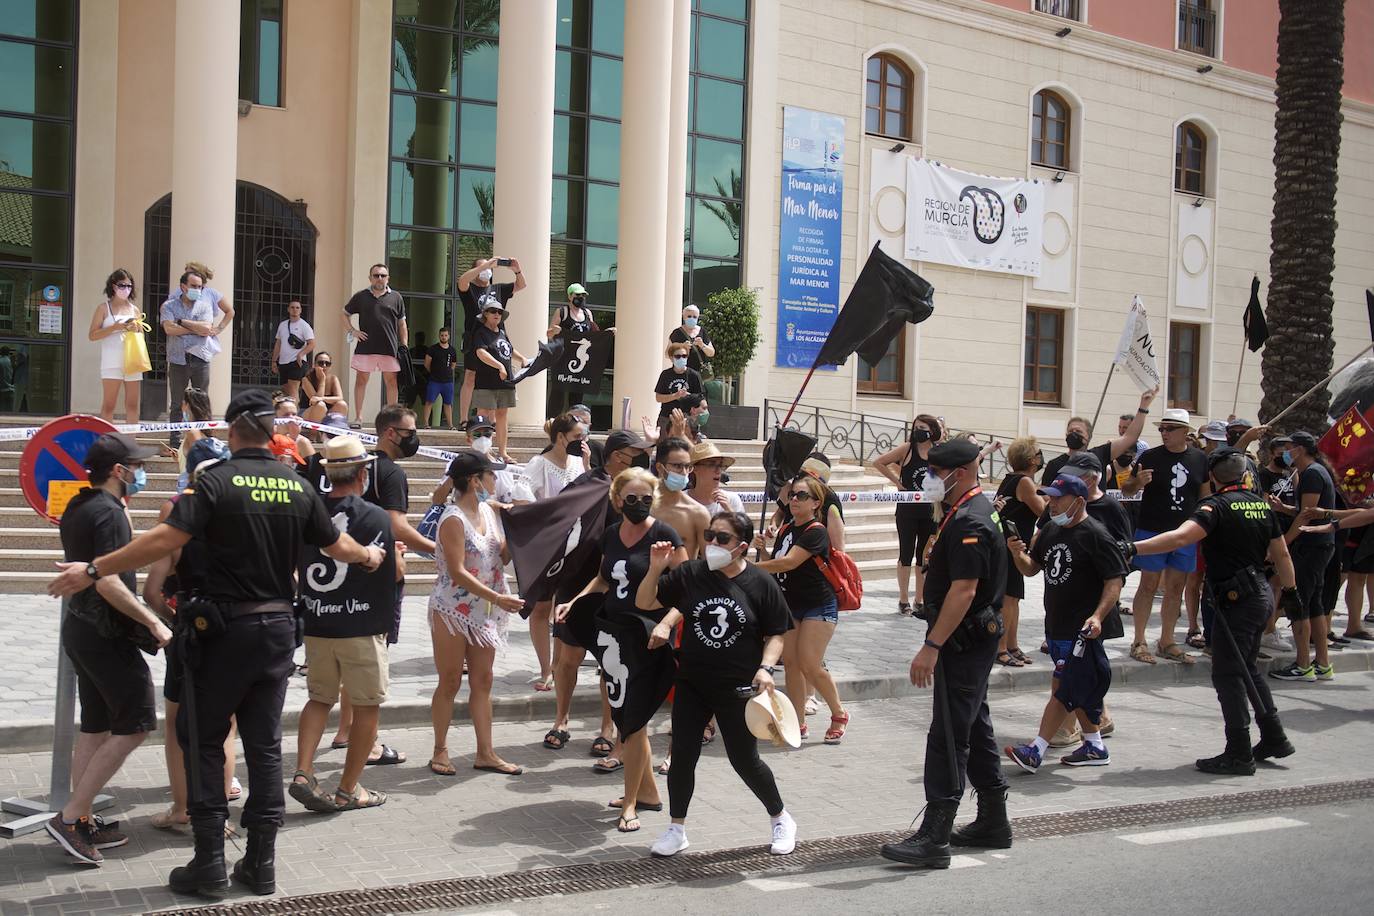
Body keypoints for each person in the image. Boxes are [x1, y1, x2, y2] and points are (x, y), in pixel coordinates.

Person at [47, 390, 384, 897]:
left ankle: (208, 864)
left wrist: (94, 568)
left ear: (231, 432)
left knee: (204, 743)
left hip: (221, 633)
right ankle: (261, 864)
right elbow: (338, 545)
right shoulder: (296, 485)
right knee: (265, 747)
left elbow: (165, 540)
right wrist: (368, 559)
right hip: (276, 630)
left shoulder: (215, 483)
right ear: (274, 432)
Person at [880, 439, 1010, 869]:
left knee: (949, 734)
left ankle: (935, 834)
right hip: (970, 638)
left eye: (937, 472)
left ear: (961, 472)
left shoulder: (971, 518)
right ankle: (994, 819)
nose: (931, 478)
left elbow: (965, 589)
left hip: (962, 641)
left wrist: (931, 646)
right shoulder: (967, 510)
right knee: (977, 724)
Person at [637, 511, 797, 858]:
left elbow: (776, 635)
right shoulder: (691, 573)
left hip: (736, 686)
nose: (712, 543)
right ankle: (676, 829)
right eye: (709, 535)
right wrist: (654, 568)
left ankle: (780, 817)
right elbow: (646, 602)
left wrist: (767, 668)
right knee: (682, 757)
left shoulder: (760, 582)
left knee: (744, 760)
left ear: (741, 546)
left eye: (722, 538)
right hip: (693, 681)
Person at [45, 433, 172, 866]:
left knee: (96, 727)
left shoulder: (80, 505)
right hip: (104, 634)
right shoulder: (109, 515)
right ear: (119, 472)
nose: (141, 474)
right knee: (135, 723)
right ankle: (71, 817)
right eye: (137, 467)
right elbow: (107, 579)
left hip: (81, 629)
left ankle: (79, 820)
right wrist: (153, 621)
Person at [1133, 448, 1300, 774]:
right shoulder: (1260, 505)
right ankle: (1274, 736)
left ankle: (1238, 753)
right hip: (1260, 593)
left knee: (1227, 675)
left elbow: (1180, 537)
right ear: (1243, 475)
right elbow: (1281, 555)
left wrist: (1132, 547)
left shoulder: (1215, 507)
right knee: (1247, 668)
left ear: (1213, 477)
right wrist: (1291, 594)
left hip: (1237, 601)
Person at [555, 467, 688, 831]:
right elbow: (604, 577)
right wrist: (577, 601)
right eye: (631, 499)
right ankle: (648, 794)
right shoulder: (613, 534)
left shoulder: (665, 535)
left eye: (646, 499)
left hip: (647, 638)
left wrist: (666, 624)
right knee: (624, 719)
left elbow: (690, 588)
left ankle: (629, 803)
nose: (639, 505)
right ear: (617, 500)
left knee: (633, 723)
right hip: (614, 636)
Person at [290, 436, 398, 813]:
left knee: (319, 698)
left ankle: (303, 770)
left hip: (319, 623)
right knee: (367, 707)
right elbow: (388, 572)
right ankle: (349, 788)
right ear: (363, 472)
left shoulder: (309, 512)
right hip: (362, 625)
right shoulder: (376, 516)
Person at [143, 438, 240, 835]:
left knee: (178, 723)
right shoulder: (240, 514)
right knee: (225, 724)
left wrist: (174, 620)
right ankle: (218, 815)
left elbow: (151, 590)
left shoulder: (178, 512)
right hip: (232, 631)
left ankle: (182, 809)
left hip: (189, 630)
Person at [1003, 474, 1127, 772]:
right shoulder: (1049, 531)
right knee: (1076, 687)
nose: (1052, 504)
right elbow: (1032, 569)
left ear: (1079, 500)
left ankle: (1036, 749)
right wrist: (1016, 552)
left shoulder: (1096, 535)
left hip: (1081, 630)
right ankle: (1095, 745)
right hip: (1056, 625)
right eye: (1050, 497)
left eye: (1058, 498)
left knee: (1064, 687)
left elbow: (1114, 580)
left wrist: (1098, 616)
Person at [543, 430, 652, 759]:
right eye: (634, 454)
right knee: (568, 658)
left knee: (611, 661)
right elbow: (557, 522)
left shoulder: (638, 490)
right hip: (577, 584)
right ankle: (561, 721)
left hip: (617, 586)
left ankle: (608, 727)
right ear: (618, 456)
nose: (639, 461)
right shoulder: (585, 484)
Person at [428, 451, 526, 777]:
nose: (496, 481)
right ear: (475, 480)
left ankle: (485, 752)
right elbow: (456, 571)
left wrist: (518, 532)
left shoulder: (487, 510)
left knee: (483, 679)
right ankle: (440, 749)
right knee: (451, 680)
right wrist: (497, 596)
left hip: (484, 609)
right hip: (451, 609)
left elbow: (502, 557)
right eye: (491, 475)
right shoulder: (453, 519)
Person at [753, 474, 850, 744]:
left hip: (819, 604)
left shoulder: (816, 531)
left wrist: (746, 568)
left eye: (802, 496)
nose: (794, 499)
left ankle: (839, 713)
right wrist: (761, 553)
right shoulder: (786, 528)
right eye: (793, 494)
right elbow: (775, 565)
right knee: (792, 665)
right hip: (790, 604)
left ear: (815, 503)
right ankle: (797, 721)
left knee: (809, 664)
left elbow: (788, 563)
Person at [1121, 408, 1210, 665]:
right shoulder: (1149, 456)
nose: (1164, 433)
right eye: (1162, 429)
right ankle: (1139, 640)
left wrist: (1203, 526)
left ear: (1185, 432)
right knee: (1148, 585)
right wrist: (1137, 482)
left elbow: (1204, 496)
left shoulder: (1199, 459)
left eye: (1170, 429)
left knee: (1175, 588)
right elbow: (1126, 489)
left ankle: (1167, 641)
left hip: (1184, 533)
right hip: (1152, 528)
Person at [523, 414, 589, 691]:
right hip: (548, 546)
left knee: (567, 606)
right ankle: (544, 668)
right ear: (561, 437)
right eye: (576, 436)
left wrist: (587, 465)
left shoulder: (578, 462)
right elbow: (522, 497)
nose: (581, 441)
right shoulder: (539, 464)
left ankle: (559, 664)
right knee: (541, 607)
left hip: (577, 546)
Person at [1268, 431, 1336, 681]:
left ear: (1299, 449)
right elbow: (1307, 510)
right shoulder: (1313, 473)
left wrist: (1282, 544)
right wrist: (1283, 508)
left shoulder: (1312, 474)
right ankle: (1322, 663)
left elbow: (1306, 515)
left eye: (1288, 448)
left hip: (1311, 547)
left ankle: (1303, 664)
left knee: (1299, 604)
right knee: (1315, 604)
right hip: (1319, 545)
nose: (1285, 453)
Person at [873, 415, 942, 617]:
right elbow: (879, 462)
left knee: (924, 555)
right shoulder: (907, 448)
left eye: (922, 427)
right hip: (907, 509)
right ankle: (903, 599)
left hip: (931, 510)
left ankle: (919, 599)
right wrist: (898, 483)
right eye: (915, 427)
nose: (918, 431)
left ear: (932, 430)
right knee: (906, 554)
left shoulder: (938, 451)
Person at [991, 437, 1046, 666]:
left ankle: (1012, 645)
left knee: (1014, 598)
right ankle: (1001, 648)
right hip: (1010, 547)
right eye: (1039, 454)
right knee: (1009, 600)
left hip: (1013, 546)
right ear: (1032, 459)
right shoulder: (1024, 482)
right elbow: (1043, 511)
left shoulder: (1011, 479)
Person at [457, 257, 525, 430]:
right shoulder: (470, 289)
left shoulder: (498, 289)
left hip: (496, 338)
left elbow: (521, 285)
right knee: (470, 376)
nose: (487, 271)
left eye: (489, 268)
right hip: (475, 337)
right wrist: (487, 264)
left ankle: (492, 421)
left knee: (496, 376)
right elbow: (462, 281)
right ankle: (464, 419)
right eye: (482, 268)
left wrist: (517, 270)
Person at [1040, 387, 1158, 485]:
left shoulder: (1099, 455)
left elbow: (1130, 437)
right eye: (1070, 431)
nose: (1074, 434)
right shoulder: (1054, 464)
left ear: (1089, 436)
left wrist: (1143, 407)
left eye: (1078, 431)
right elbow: (1045, 496)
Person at [160, 268, 219, 448]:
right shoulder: (169, 306)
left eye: (200, 287)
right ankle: (175, 443)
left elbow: (207, 329)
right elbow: (169, 330)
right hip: (178, 359)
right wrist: (195, 328)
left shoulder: (205, 306)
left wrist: (180, 322)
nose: (197, 289)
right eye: (193, 286)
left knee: (202, 401)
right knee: (177, 403)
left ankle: (204, 442)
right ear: (183, 287)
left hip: (200, 359)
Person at [344, 264, 408, 428]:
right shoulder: (361, 296)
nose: (379, 278)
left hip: (389, 347)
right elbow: (344, 314)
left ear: (388, 278)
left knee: (392, 382)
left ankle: (392, 420)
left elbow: (402, 324)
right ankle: (358, 418)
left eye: (383, 275)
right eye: (376, 275)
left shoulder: (397, 297)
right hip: (366, 347)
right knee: (361, 380)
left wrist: (404, 345)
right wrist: (353, 331)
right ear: (370, 277)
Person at [471, 303, 526, 460]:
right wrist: (499, 366)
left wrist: (521, 358)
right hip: (486, 382)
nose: (497, 314)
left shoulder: (502, 332)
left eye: (499, 312)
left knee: (502, 415)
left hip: (505, 382)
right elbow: (480, 352)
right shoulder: (480, 333)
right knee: (483, 416)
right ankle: (482, 451)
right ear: (485, 314)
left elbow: (509, 349)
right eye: (493, 311)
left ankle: (502, 452)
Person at [90, 269, 145, 423]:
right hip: (111, 361)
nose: (126, 289)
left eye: (129, 285)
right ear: (113, 286)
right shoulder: (103, 308)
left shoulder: (135, 310)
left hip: (132, 360)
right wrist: (114, 327)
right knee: (109, 405)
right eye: (122, 285)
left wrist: (136, 329)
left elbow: (141, 335)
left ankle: (131, 443)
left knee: (132, 405)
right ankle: (107, 443)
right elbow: (92, 335)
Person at [652, 437, 710, 560]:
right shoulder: (643, 505)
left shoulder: (697, 513)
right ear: (659, 467)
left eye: (688, 466)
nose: (684, 472)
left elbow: (708, 562)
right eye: (677, 466)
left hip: (681, 578)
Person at [548, 284, 601, 415]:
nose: (581, 298)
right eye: (577, 295)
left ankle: (574, 420)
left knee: (577, 391)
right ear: (570, 296)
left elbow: (593, 334)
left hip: (580, 358)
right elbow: (549, 334)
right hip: (563, 358)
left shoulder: (587, 314)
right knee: (559, 390)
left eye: (583, 295)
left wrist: (607, 334)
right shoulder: (562, 312)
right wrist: (557, 331)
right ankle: (553, 420)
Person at [271, 300, 315, 400]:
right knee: (286, 390)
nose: (295, 310)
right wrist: (274, 361)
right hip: (283, 362)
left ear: (300, 310)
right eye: (292, 307)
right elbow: (278, 343)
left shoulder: (304, 325)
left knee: (293, 389)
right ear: (288, 309)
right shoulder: (283, 325)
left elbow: (312, 343)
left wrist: (301, 354)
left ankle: (293, 414)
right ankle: (292, 411)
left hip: (296, 362)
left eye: (297, 308)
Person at [688, 440, 744, 517]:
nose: (718, 471)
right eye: (711, 465)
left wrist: (730, 512)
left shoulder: (732, 500)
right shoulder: (681, 500)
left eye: (720, 465)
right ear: (694, 468)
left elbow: (743, 528)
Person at [654, 342, 705, 422]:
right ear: (671, 358)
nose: (681, 359)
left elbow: (700, 398)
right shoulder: (665, 374)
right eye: (678, 356)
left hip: (687, 418)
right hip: (667, 417)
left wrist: (688, 396)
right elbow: (658, 397)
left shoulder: (694, 375)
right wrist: (675, 396)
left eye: (684, 356)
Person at [423, 327, 459, 430]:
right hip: (434, 381)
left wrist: (447, 372)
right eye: (442, 335)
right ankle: (426, 424)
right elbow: (427, 363)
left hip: (448, 382)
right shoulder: (433, 349)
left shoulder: (452, 350)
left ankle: (450, 425)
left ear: (449, 336)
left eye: (446, 335)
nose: (444, 337)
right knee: (429, 402)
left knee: (448, 404)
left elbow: (453, 364)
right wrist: (433, 372)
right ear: (439, 336)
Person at [301, 351, 349, 427]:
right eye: (320, 363)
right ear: (314, 365)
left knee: (342, 404)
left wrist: (322, 398)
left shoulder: (333, 378)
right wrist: (322, 380)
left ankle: (337, 431)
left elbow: (340, 397)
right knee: (320, 405)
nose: (324, 366)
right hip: (308, 413)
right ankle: (313, 435)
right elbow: (315, 402)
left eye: (327, 363)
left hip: (326, 412)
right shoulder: (306, 380)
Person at [668, 304, 716, 375]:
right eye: (689, 316)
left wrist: (702, 345)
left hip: (699, 373)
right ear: (684, 317)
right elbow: (667, 353)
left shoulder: (702, 331)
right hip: (681, 372)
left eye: (694, 317)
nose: (692, 318)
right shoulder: (677, 333)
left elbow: (711, 353)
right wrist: (682, 347)